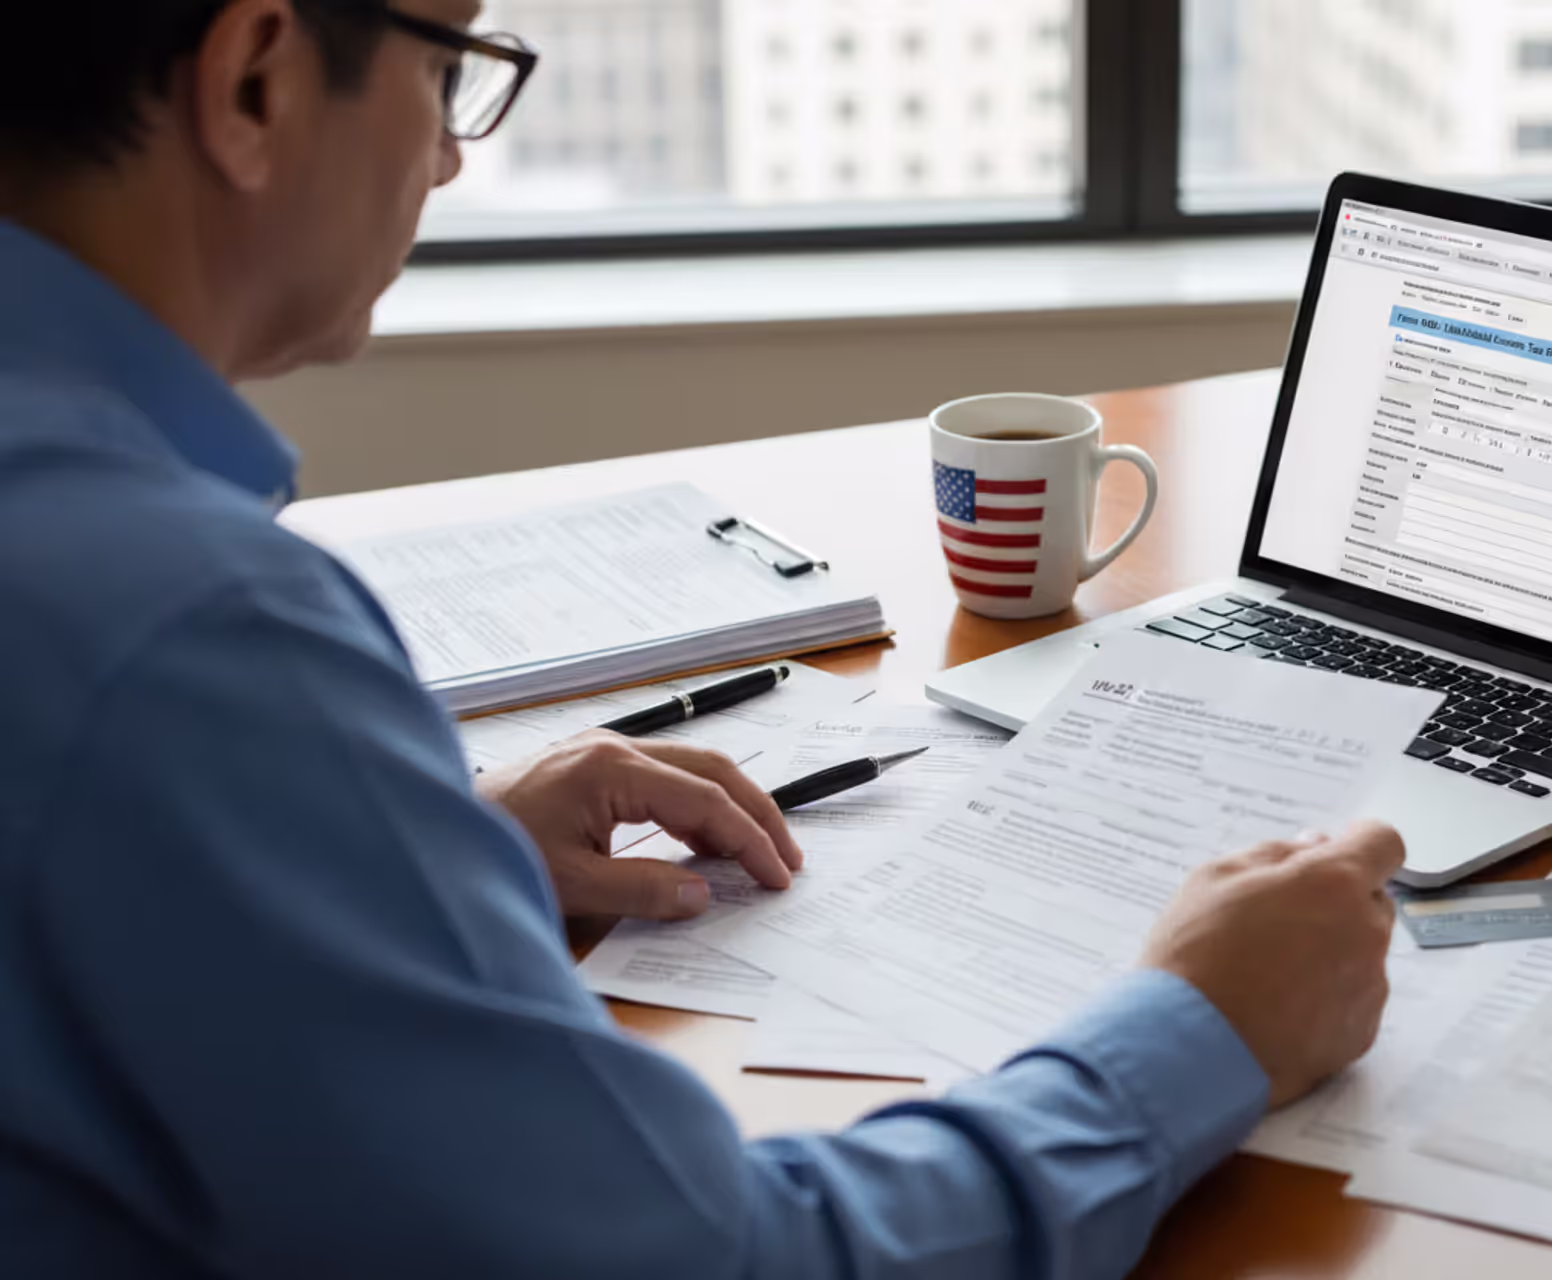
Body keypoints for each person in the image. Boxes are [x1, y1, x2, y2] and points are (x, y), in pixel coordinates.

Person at [0, 2, 1407, 1275]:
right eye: (446, 71)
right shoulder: (188, 633)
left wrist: (408, 851)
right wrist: (1200, 1030)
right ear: (254, 81)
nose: (449, 158)